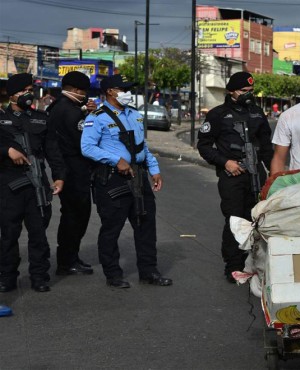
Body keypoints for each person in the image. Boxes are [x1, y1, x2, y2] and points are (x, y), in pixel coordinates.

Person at [81, 75, 172, 288]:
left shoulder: (135, 115)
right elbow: (87, 147)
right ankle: (113, 274)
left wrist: (154, 169)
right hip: (113, 179)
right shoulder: (97, 117)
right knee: (112, 229)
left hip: (139, 178)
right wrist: (115, 160)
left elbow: (142, 147)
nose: (127, 93)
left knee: (146, 226)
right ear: (110, 92)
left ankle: (149, 271)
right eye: (123, 89)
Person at [197, 72, 274, 283]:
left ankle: (255, 263)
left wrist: (274, 174)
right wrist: (225, 162)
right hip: (232, 174)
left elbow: (267, 147)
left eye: (251, 91)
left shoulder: (257, 113)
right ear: (232, 91)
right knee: (234, 219)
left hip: (256, 172)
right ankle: (233, 265)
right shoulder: (218, 115)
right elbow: (204, 146)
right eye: (243, 91)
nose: (248, 95)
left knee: (257, 218)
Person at [0, 73, 66, 293]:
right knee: (9, 234)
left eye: (31, 89)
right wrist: (7, 150)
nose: (29, 94)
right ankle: (7, 277)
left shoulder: (40, 118)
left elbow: (53, 151)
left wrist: (59, 176)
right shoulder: (1, 118)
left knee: (38, 234)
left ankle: (39, 276)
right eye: (25, 89)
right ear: (13, 95)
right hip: (9, 184)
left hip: (37, 183)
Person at [48, 71, 97, 276]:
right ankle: (68, 261)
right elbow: (83, 142)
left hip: (65, 168)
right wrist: (90, 115)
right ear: (77, 90)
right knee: (76, 216)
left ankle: (69, 259)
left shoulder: (56, 106)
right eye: (83, 91)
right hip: (75, 170)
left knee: (72, 215)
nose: (85, 95)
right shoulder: (71, 111)